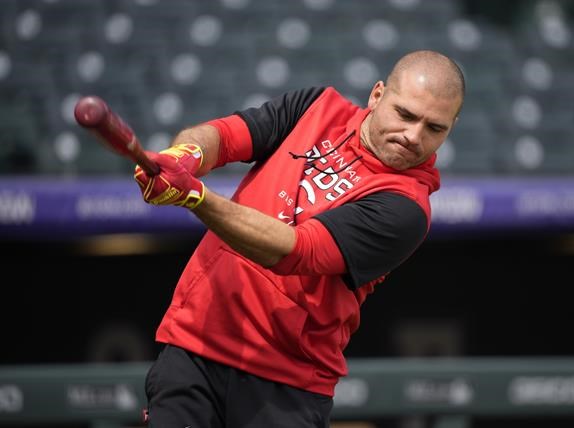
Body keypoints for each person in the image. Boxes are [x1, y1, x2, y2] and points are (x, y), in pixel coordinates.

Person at [134, 49, 464, 427]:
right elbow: (225, 137)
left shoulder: (408, 208)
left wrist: (194, 196)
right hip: (194, 344)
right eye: (405, 114)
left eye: (434, 128)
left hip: (285, 382)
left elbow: (293, 250)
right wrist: (186, 155)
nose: (413, 136)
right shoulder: (316, 106)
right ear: (377, 96)